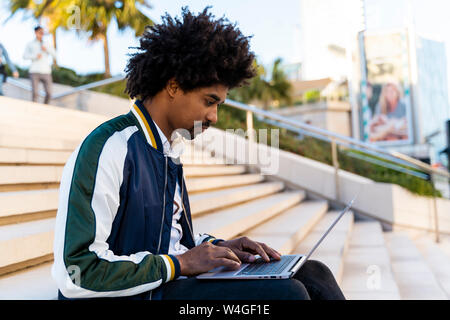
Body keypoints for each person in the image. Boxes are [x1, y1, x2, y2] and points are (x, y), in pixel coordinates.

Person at [52, 7, 345, 300]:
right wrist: (180, 264)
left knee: (314, 273)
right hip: (135, 294)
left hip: (164, 285)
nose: (214, 116)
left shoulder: (168, 151)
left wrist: (222, 246)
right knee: (287, 295)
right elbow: (77, 271)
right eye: (209, 101)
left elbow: (172, 240)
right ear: (173, 86)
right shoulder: (110, 147)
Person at [23, 26, 56, 104]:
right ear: (36, 33)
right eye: (40, 32)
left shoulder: (47, 44)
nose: (41, 34)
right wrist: (35, 56)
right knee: (35, 93)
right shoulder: (30, 44)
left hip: (46, 71)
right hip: (34, 71)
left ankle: (45, 108)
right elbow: (24, 56)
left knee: (49, 93)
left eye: (43, 33)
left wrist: (47, 49)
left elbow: (55, 54)